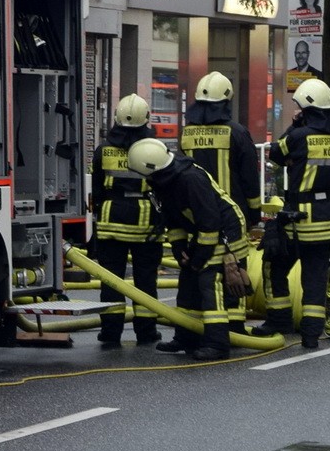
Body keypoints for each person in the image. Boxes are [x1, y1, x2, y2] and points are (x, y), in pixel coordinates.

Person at [127, 138, 250, 361]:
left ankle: (217, 345)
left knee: (209, 282)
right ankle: (186, 338)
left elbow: (210, 223)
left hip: (225, 230)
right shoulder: (165, 180)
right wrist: (179, 247)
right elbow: (173, 219)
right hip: (204, 230)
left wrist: (198, 259)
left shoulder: (191, 179)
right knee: (188, 281)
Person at [256, 79, 330, 349]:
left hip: (298, 217)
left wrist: (296, 125)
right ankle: (311, 334)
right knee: (315, 278)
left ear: (307, 107)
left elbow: (276, 152)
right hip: (326, 216)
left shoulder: (300, 136)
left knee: (274, 265)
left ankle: (279, 320)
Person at [180, 70, 262, 334]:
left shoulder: (187, 133)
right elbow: (250, 177)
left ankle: (189, 329)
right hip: (231, 216)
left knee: (194, 269)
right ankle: (234, 326)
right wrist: (254, 212)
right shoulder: (237, 133)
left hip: (194, 216)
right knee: (233, 268)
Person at [90, 94, 163, 349]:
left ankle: (110, 333)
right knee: (145, 280)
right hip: (144, 222)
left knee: (111, 280)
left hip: (110, 221)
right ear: (146, 119)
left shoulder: (103, 150)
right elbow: (162, 186)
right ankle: (146, 332)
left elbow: (96, 190)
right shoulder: (154, 149)